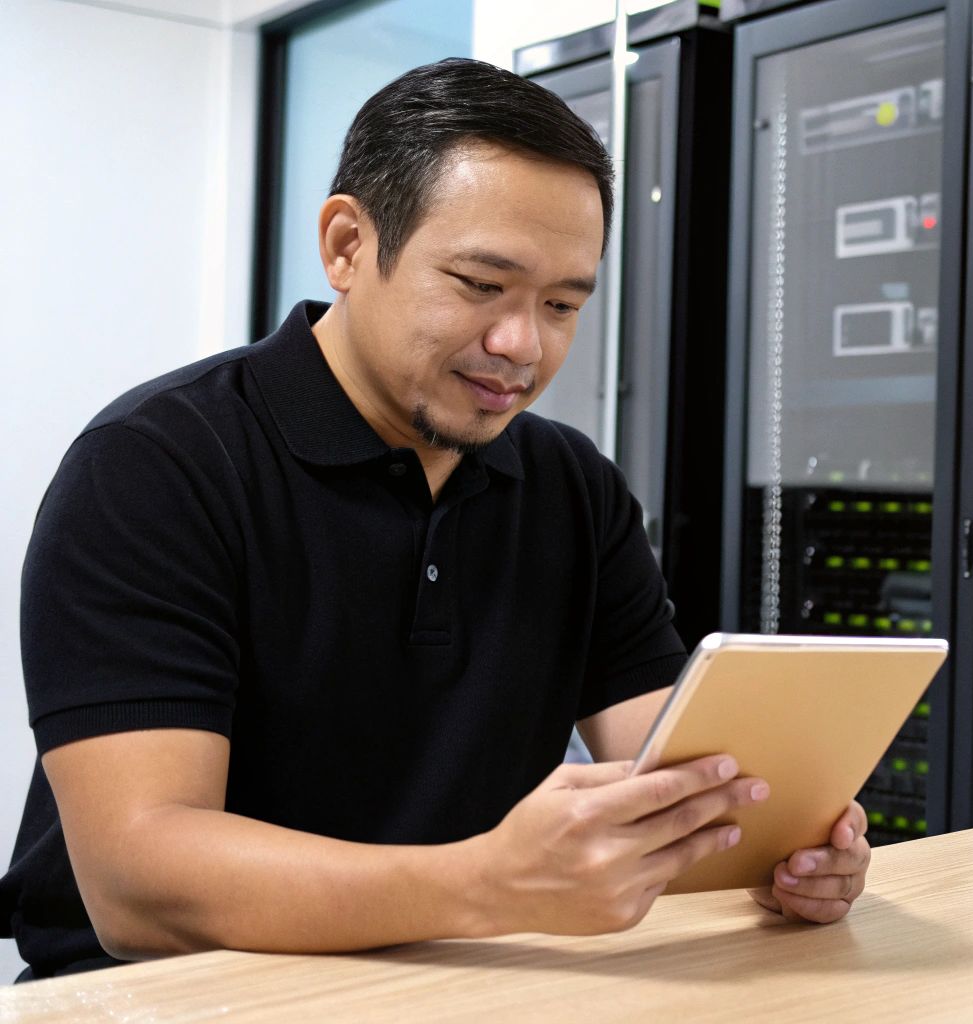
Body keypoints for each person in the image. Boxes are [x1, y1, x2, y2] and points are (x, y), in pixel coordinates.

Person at [1, 58, 871, 983]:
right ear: (346, 245)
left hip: (463, 983)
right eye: (480, 284)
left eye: (563, 304)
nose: (522, 346)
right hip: (168, 1002)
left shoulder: (573, 485)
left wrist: (784, 848)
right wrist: (491, 884)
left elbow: (677, 773)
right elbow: (136, 887)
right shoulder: (155, 467)